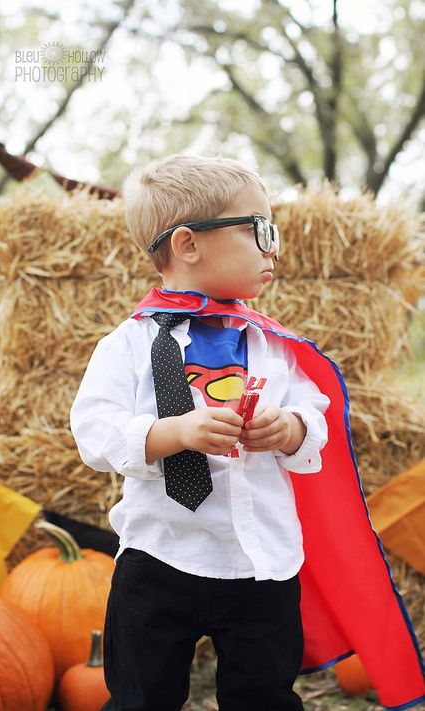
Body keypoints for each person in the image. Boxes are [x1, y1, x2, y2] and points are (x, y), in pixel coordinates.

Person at [70, 155, 425, 711]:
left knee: (263, 694)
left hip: (262, 560)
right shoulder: (129, 345)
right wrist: (173, 433)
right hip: (161, 556)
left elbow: (316, 413)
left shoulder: (273, 344)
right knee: (141, 696)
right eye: (258, 229)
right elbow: (95, 430)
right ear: (188, 245)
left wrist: (289, 428)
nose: (273, 247)